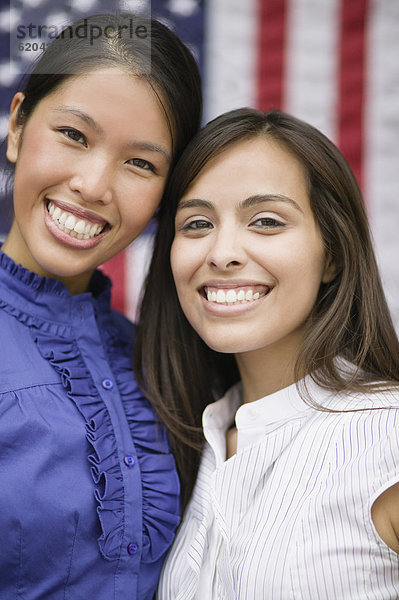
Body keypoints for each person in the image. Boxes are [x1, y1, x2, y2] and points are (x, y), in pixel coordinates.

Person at [135, 108, 399, 599]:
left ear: (334, 254)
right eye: (196, 224)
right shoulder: (189, 442)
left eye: (266, 221)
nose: (221, 252)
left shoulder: (389, 435)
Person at [0, 12, 201, 599]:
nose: (93, 184)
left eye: (140, 163)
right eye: (73, 135)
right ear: (17, 127)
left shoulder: (162, 360)